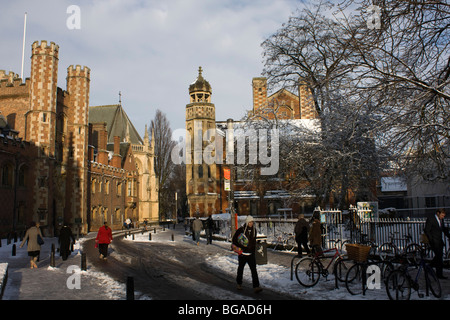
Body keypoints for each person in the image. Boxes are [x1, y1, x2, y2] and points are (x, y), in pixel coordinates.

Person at [232, 215, 262, 293]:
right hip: (242, 254)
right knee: (241, 269)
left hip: (251, 254)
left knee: (254, 270)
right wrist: (240, 247)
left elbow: (253, 241)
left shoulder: (254, 230)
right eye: (250, 222)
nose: (251, 223)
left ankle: (256, 286)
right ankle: (239, 283)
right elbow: (234, 240)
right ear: (247, 222)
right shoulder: (241, 230)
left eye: (252, 222)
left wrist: (254, 248)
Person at [424, 208, 449, 279]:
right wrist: (431, 240)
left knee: (439, 257)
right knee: (439, 257)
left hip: (439, 241)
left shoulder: (441, 220)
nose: (443, 217)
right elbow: (427, 230)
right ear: (438, 213)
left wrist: (448, 235)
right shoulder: (431, 219)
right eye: (442, 215)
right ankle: (438, 273)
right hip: (434, 241)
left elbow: (443, 228)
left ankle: (430, 267)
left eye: (444, 216)